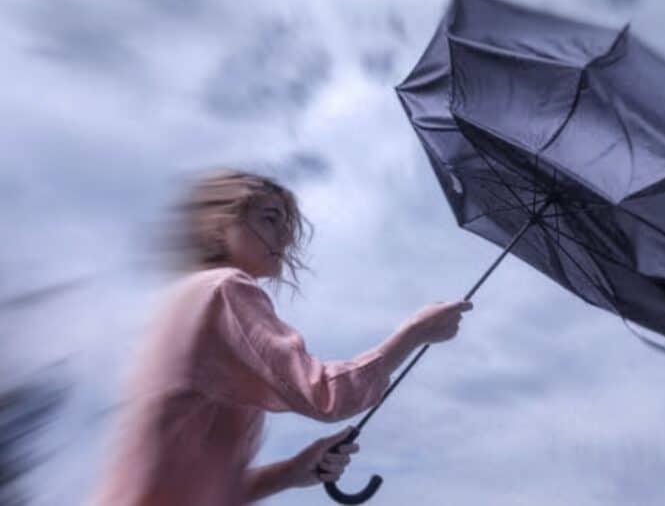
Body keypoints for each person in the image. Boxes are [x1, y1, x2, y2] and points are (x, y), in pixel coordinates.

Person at [88, 169, 472, 505]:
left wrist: (291, 471)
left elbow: (193, 486)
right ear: (217, 227)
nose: (285, 238)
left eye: (286, 225)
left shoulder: (186, 299)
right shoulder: (226, 289)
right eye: (271, 219)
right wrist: (413, 334)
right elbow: (324, 394)